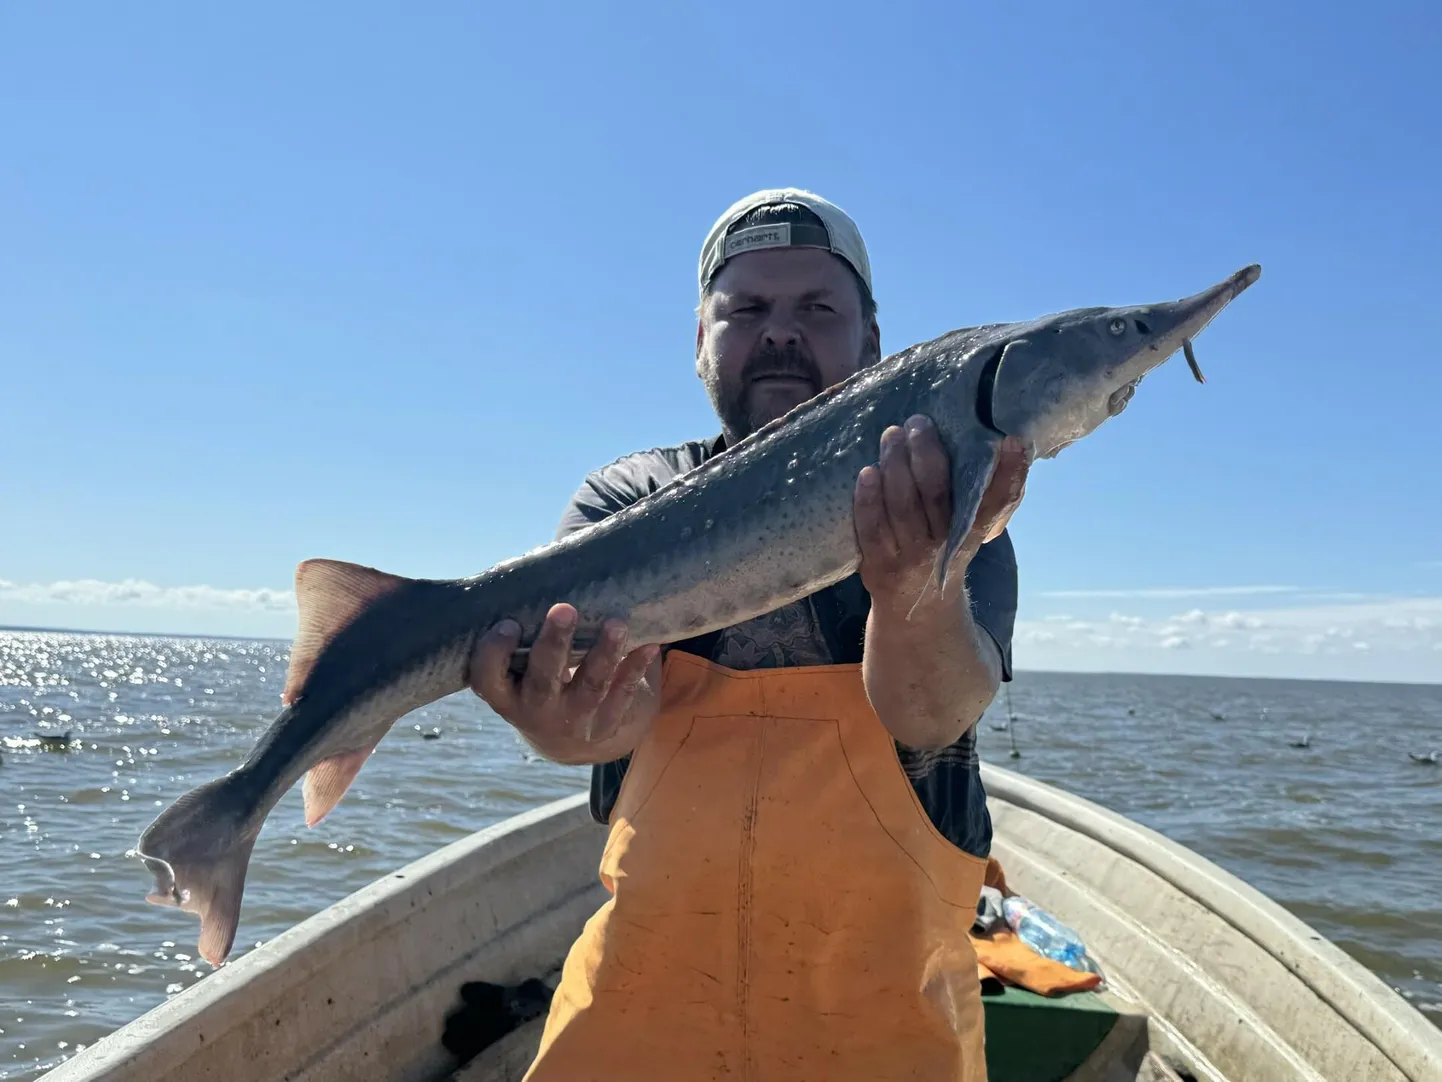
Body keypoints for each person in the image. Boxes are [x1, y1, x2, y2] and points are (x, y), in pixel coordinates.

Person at [468, 188, 1030, 1080]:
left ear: (873, 343)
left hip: (887, 1032)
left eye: (817, 308)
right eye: (747, 310)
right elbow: (612, 724)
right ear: (700, 340)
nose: (780, 334)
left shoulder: (950, 500)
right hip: (639, 1020)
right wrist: (556, 723)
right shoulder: (630, 503)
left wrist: (917, 580)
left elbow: (934, 715)